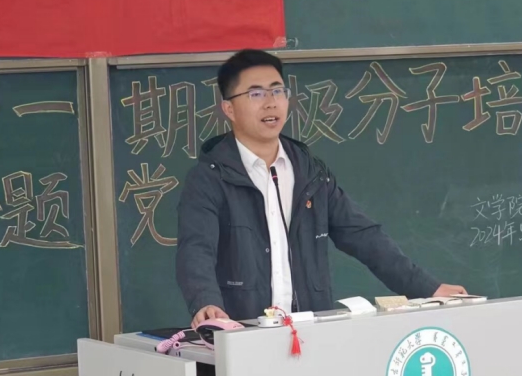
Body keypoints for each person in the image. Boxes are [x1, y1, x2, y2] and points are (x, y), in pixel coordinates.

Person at [176, 49, 466, 327]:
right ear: (229, 108)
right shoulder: (210, 178)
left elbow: (363, 237)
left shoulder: (311, 172)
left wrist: (427, 288)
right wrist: (205, 302)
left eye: (278, 91)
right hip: (244, 332)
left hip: (311, 331)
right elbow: (196, 249)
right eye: (256, 94)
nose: (271, 102)